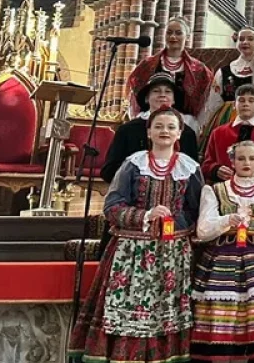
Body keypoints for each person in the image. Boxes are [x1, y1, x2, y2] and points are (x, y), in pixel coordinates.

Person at [67, 108, 203, 363]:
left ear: (180, 133)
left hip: (172, 253)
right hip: (131, 253)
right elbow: (112, 206)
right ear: (149, 131)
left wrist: (176, 222)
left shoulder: (190, 167)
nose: (165, 131)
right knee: (126, 310)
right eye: (159, 126)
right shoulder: (133, 163)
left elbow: (196, 209)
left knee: (166, 310)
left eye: (171, 127)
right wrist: (145, 215)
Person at [192, 140, 254, 363]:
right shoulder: (215, 190)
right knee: (222, 305)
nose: (246, 163)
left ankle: (252, 354)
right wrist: (226, 221)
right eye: (241, 158)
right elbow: (204, 230)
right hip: (221, 255)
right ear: (232, 161)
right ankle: (221, 353)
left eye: (252, 158)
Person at [103, 73, 201, 183]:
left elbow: (193, 174)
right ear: (146, 98)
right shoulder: (128, 130)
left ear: (174, 100)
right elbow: (109, 171)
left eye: (168, 92)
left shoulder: (186, 133)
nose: (162, 95)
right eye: (156, 91)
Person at [126, 16, 214, 134]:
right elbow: (135, 94)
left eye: (178, 33)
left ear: (187, 37)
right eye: (169, 32)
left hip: (184, 124)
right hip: (150, 121)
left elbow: (205, 102)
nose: (173, 37)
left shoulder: (199, 69)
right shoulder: (148, 65)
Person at [200, 27, 254, 139]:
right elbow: (214, 102)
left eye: (250, 39)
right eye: (241, 39)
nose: (245, 42)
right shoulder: (224, 71)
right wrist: (208, 123)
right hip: (228, 118)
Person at [201, 84, 254, 187]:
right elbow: (206, 165)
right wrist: (215, 170)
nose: (246, 104)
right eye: (241, 100)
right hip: (225, 191)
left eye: (251, 100)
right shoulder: (218, 133)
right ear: (234, 104)